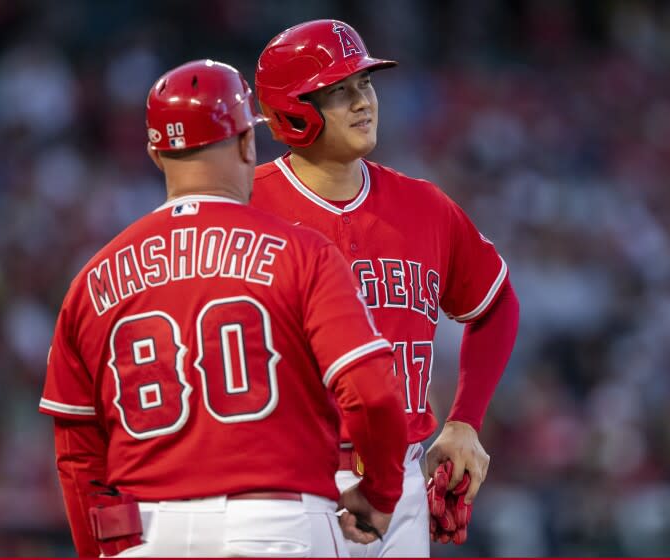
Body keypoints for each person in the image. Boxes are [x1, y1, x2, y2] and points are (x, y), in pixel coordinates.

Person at [38, 59, 408, 558]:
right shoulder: (303, 253)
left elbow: (78, 454)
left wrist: (104, 548)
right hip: (275, 521)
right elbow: (372, 391)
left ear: (156, 152)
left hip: (147, 531)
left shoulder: (93, 278)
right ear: (246, 142)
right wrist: (382, 492)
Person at [252, 20, 521, 556]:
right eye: (338, 91)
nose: (362, 102)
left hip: (398, 482)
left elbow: (496, 305)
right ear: (294, 110)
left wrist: (465, 420)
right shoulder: (247, 208)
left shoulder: (424, 207)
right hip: (284, 481)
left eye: (365, 84)